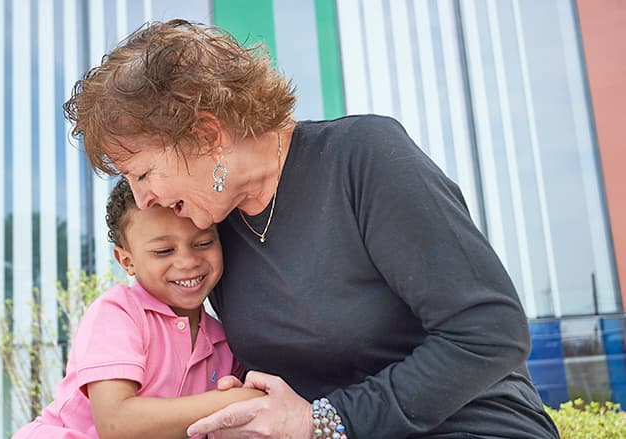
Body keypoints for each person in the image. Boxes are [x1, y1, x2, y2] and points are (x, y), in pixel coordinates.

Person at [63, 19, 560, 439]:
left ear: (206, 135)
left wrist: (326, 420)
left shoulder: (362, 158)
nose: (145, 198)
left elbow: (490, 333)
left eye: (144, 172)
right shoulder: (213, 229)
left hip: (468, 424)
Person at [13, 178, 263, 439]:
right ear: (127, 261)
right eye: (164, 250)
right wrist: (233, 401)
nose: (188, 262)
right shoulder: (117, 313)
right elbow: (116, 424)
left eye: (203, 243)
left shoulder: (224, 341)